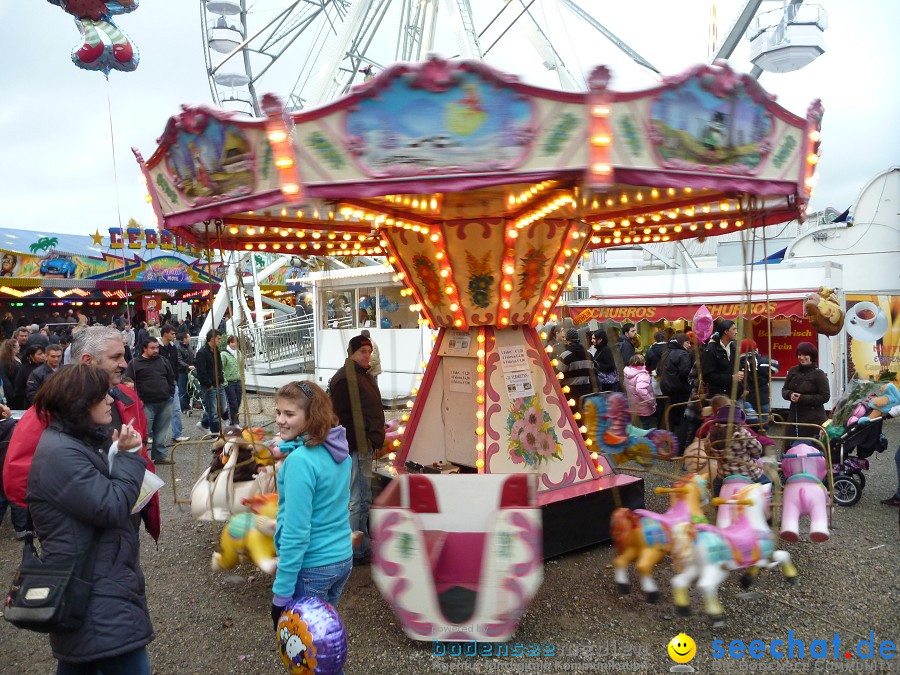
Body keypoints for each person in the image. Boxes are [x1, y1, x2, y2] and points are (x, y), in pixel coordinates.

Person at [28, 364, 155, 673]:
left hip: (95, 583)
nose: (111, 401)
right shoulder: (61, 454)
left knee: (81, 661)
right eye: (103, 396)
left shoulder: (74, 441)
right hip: (94, 588)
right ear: (80, 402)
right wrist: (128, 456)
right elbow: (111, 506)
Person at [3, 325, 160, 543]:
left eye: (123, 356)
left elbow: (139, 451)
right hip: (82, 535)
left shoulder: (126, 396)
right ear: (88, 361)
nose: (124, 364)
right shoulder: (48, 410)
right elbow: (18, 480)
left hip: (126, 518)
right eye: (115, 357)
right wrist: (71, 510)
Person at [270, 381, 353, 629]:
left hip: (312, 567)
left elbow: (296, 533)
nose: (280, 420)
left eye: (289, 414)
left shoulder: (300, 462)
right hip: (341, 559)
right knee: (324, 642)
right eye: (278, 412)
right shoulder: (339, 451)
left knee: (308, 656)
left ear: (311, 416)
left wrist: (281, 593)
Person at [329, 334, 385, 565]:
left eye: (369, 352)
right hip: (357, 445)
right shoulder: (344, 379)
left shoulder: (364, 376)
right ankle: (357, 549)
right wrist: (357, 442)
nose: (367, 356)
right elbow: (342, 417)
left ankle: (360, 540)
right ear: (352, 352)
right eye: (363, 352)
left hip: (365, 443)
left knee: (362, 495)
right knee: (359, 497)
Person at [125, 337, 176, 464]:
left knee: (161, 431)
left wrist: (171, 393)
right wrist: (136, 400)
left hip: (165, 401)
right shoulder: (135, 363)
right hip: (145, 404)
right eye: (152, 348)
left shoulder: (163, 360)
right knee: (144, 432)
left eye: (157, 347)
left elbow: (171, 377)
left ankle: (159, 456)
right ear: (144, 348)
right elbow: (127, 382)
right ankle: (141, 457)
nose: (156, 350)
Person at [707, 404, 770, 497]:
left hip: (724, 474)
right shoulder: (741, 433)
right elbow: (757, 450)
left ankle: (716, 503)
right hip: (748, 474)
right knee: (766, 482)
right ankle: (768, 502)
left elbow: (709, 452)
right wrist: (755, 455)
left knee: (716, 485)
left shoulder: (712, 434)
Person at [781, 341, 830, 439]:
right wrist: (789, 395)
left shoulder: (819, 374)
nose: (801, 357)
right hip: (793, 418)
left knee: (811, 450)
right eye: (799, 355)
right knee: (792, 448)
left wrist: (802, 398)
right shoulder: (793, 370)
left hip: (813, 421)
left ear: (812, 356)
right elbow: (784, 390)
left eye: (805, 355)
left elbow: (825, 396)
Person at [660, 333, 693, 450]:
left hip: (666, 388)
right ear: (681, 343)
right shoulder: (683, 354)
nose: (689, 345)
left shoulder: (666, 352)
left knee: (669, 414)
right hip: (680, 389)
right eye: (687, 342)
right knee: (682, 416)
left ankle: (667, 439)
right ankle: (678, 443)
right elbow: (685, 373)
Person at [158, 325, 188, 443]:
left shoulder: (173, 348)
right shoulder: (157, 348)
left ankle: (177, 434)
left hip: (172, 382)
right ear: (165, 334)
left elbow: (175, 364)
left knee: (176, 409)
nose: (174, 336)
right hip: (160, 383)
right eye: (172, 333)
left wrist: (175, 379)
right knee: (160, 411)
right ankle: (157, 437)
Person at [700, 319, 743, 397]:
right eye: (733, 329)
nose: (736, 332)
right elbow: (707, 376)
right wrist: (731, 378)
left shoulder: (733, 348)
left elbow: (738, 368)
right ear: (726, 331)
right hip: (720, 397)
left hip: (735, 395)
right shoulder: (710, 350)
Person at [740, 339, 779, 424]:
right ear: (756, 349)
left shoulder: (738, 364)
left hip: (746, 399)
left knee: (749, 427)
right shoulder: (763, 361)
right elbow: (776, 367)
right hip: (763, 399)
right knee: (763, 426)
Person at [195, 329, 226, 434]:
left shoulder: (216, 350)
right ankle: (216, 434)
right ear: (212, 339)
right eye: (218, 339)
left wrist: (221, 379)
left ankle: (204, 423)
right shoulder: (202, 353)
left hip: (218, 383)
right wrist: (208, 385)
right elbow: (201, 372)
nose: (219, 341)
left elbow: (219, 366)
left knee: (222, 408)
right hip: (210, 385)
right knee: (213, 411)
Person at [557, 329, 594, 411]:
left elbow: (559, 376)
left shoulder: (565, 355)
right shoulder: (589, 355)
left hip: (570, 393)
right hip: (586, 393)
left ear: (567, 340)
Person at [623, 354, 657, 429]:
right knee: (644, 428)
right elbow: (640, 389)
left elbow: (625, 385)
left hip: (632, 405)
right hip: (643, 406)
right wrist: (651, 401)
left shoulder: (627, 373)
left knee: (635, 427)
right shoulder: (643, 375)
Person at [13, 344, 46, 410]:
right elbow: (18, 388)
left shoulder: (47, 367)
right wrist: (29, 394)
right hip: (31, 403)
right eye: (39, 354)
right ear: (31, 356)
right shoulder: (24, 369)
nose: (43, 356)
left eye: (44, 353)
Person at [220, 334, 243, 426]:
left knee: (238, 401)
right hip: (229, 382)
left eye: (235, 342)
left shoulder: (239, 353)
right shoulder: (224, 354)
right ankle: (234, 423)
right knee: (233, 403)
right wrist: (224, 381)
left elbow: (241, 367)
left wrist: (243, 380)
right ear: (229, 343)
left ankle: (225, 416)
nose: (234, 344)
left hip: (238, 380)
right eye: (232, 342)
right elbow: (221, 368)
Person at [175, 330, 195, 414]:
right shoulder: (178, 348)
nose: (190, 338)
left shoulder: (189, 347)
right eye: (188, 337)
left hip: (190, 371)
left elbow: (193, 356)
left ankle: (188, 405)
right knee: (182, 389)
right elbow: (179, 360)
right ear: (184, 339)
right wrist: (187, 366)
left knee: (190, 389)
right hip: (182, 371)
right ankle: (184, 407)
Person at [0, 339, 21, 409]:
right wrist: (11, 393)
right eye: (18, 346)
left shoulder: (18, 357)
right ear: (12, 348)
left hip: (18, 390)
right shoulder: (5, 361)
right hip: (12, 392)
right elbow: (4, 378)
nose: (19, 348)